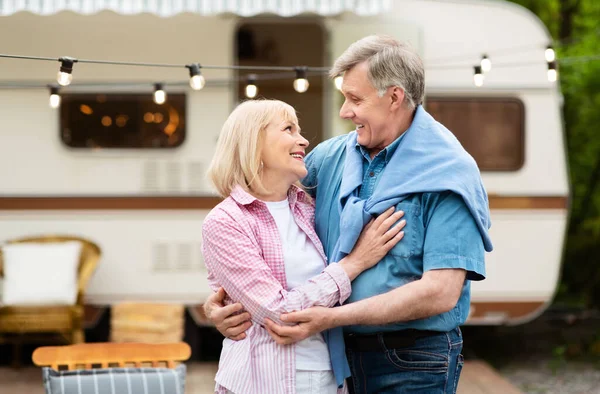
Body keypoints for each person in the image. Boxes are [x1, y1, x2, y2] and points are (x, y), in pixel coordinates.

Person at [204, 35, 493, 394]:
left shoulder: (449, 172)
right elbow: (261, 199)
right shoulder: (331, 158)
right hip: (333, 360)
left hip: (411, 361)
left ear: (394, 97)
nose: (344, 111)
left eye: (355, 99)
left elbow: (441, 293)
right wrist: (226, 300)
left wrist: (331, 318)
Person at [201, 99, 406, 394]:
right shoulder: (225, 222)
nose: (304, 140)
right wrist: (353, 264)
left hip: (329, 373)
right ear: (253, 143)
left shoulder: (308, 208)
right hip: (263, 381)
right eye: (288, 129)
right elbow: (278, 313)